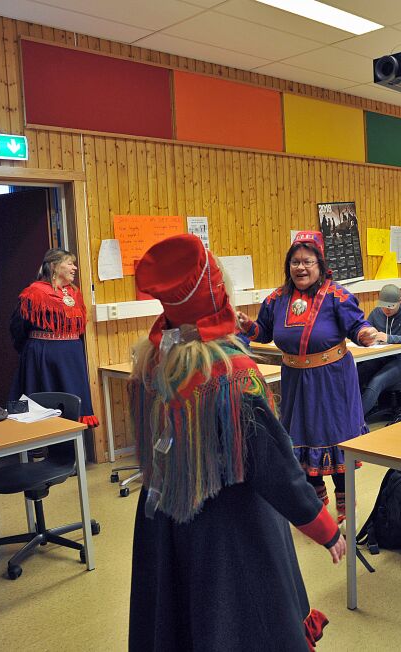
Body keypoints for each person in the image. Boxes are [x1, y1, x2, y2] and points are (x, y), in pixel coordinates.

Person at [128, 234, 345, 651]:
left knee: (180, 621)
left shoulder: (150, 361)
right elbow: (275, 468)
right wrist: (323, 527)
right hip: (230, 529)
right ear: (214, 291)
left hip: (165, 518)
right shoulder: (232, 375)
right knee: (236, 623)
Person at [238, 231, 377, 523]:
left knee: (335, 440)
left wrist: (365, 334)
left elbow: (358, 325)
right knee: (299, 439)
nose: (300, 268)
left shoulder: (337, 295)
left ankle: (344, 507)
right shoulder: (277, 298)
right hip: (295, 381)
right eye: (295, 262)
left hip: (333, 380)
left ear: (320, 265)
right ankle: (316, 501)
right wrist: (249, 325)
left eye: (307, 262)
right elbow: (263, 332)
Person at [9, 248, 97, 426]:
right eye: (70, 263)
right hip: (43, 355)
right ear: (55, 266)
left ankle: (71, 448)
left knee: (73, 399)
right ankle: (39, 450)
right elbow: (18, 326)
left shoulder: (74, 292)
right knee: (40, 399)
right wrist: (30, 351)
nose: (75, 268)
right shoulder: (34, 292)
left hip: (72, 357)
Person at [356, 284, 401, 417]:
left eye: (390, 307)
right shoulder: (377, 313)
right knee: (356, 374)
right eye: (383, 306)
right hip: (382, 358)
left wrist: (390, 338)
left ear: (400, 301)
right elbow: (365, 329)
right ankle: (342, 414)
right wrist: (366, 335)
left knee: (377, 381)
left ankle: (355, 421)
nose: (386, 310)